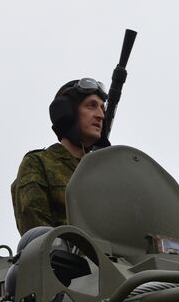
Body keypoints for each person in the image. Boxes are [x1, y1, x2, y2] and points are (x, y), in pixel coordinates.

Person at [11, 78, 107, 235]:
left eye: (103, 109)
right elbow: (37, 233)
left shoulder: (107, 174)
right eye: (91, 106)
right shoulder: (39, 163)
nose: (100, 115)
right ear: (68, 113)